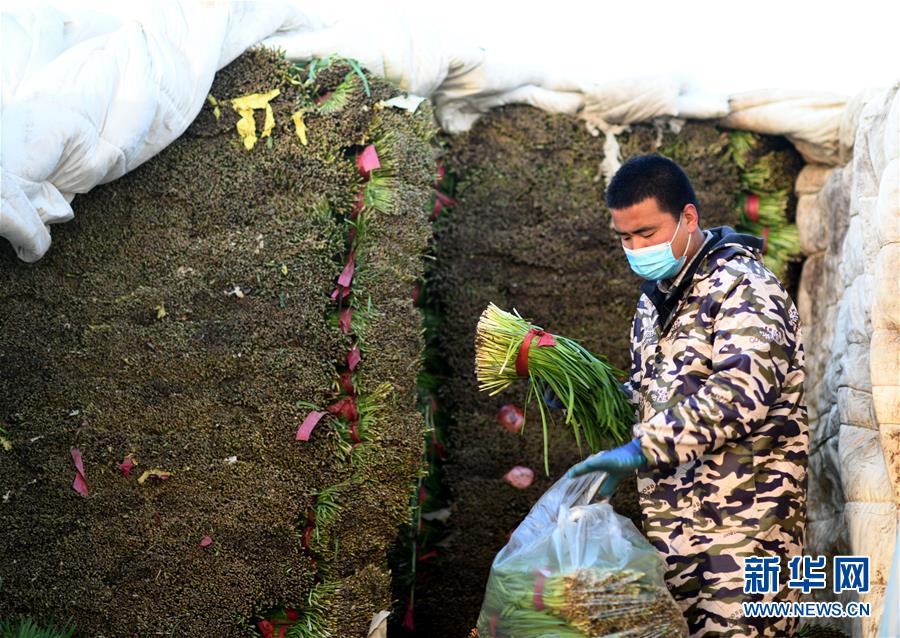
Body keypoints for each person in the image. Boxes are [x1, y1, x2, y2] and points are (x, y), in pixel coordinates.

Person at [551, 154, 809, 637]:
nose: (636, 248)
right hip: (676, 537)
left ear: (688, 217)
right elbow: (658, 399)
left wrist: (640, 450)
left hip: (746, 537)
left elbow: (737, 397)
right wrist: (585, 395)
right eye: (625, 238)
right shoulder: (656, 303)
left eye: (647, 233)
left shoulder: (745, 289)